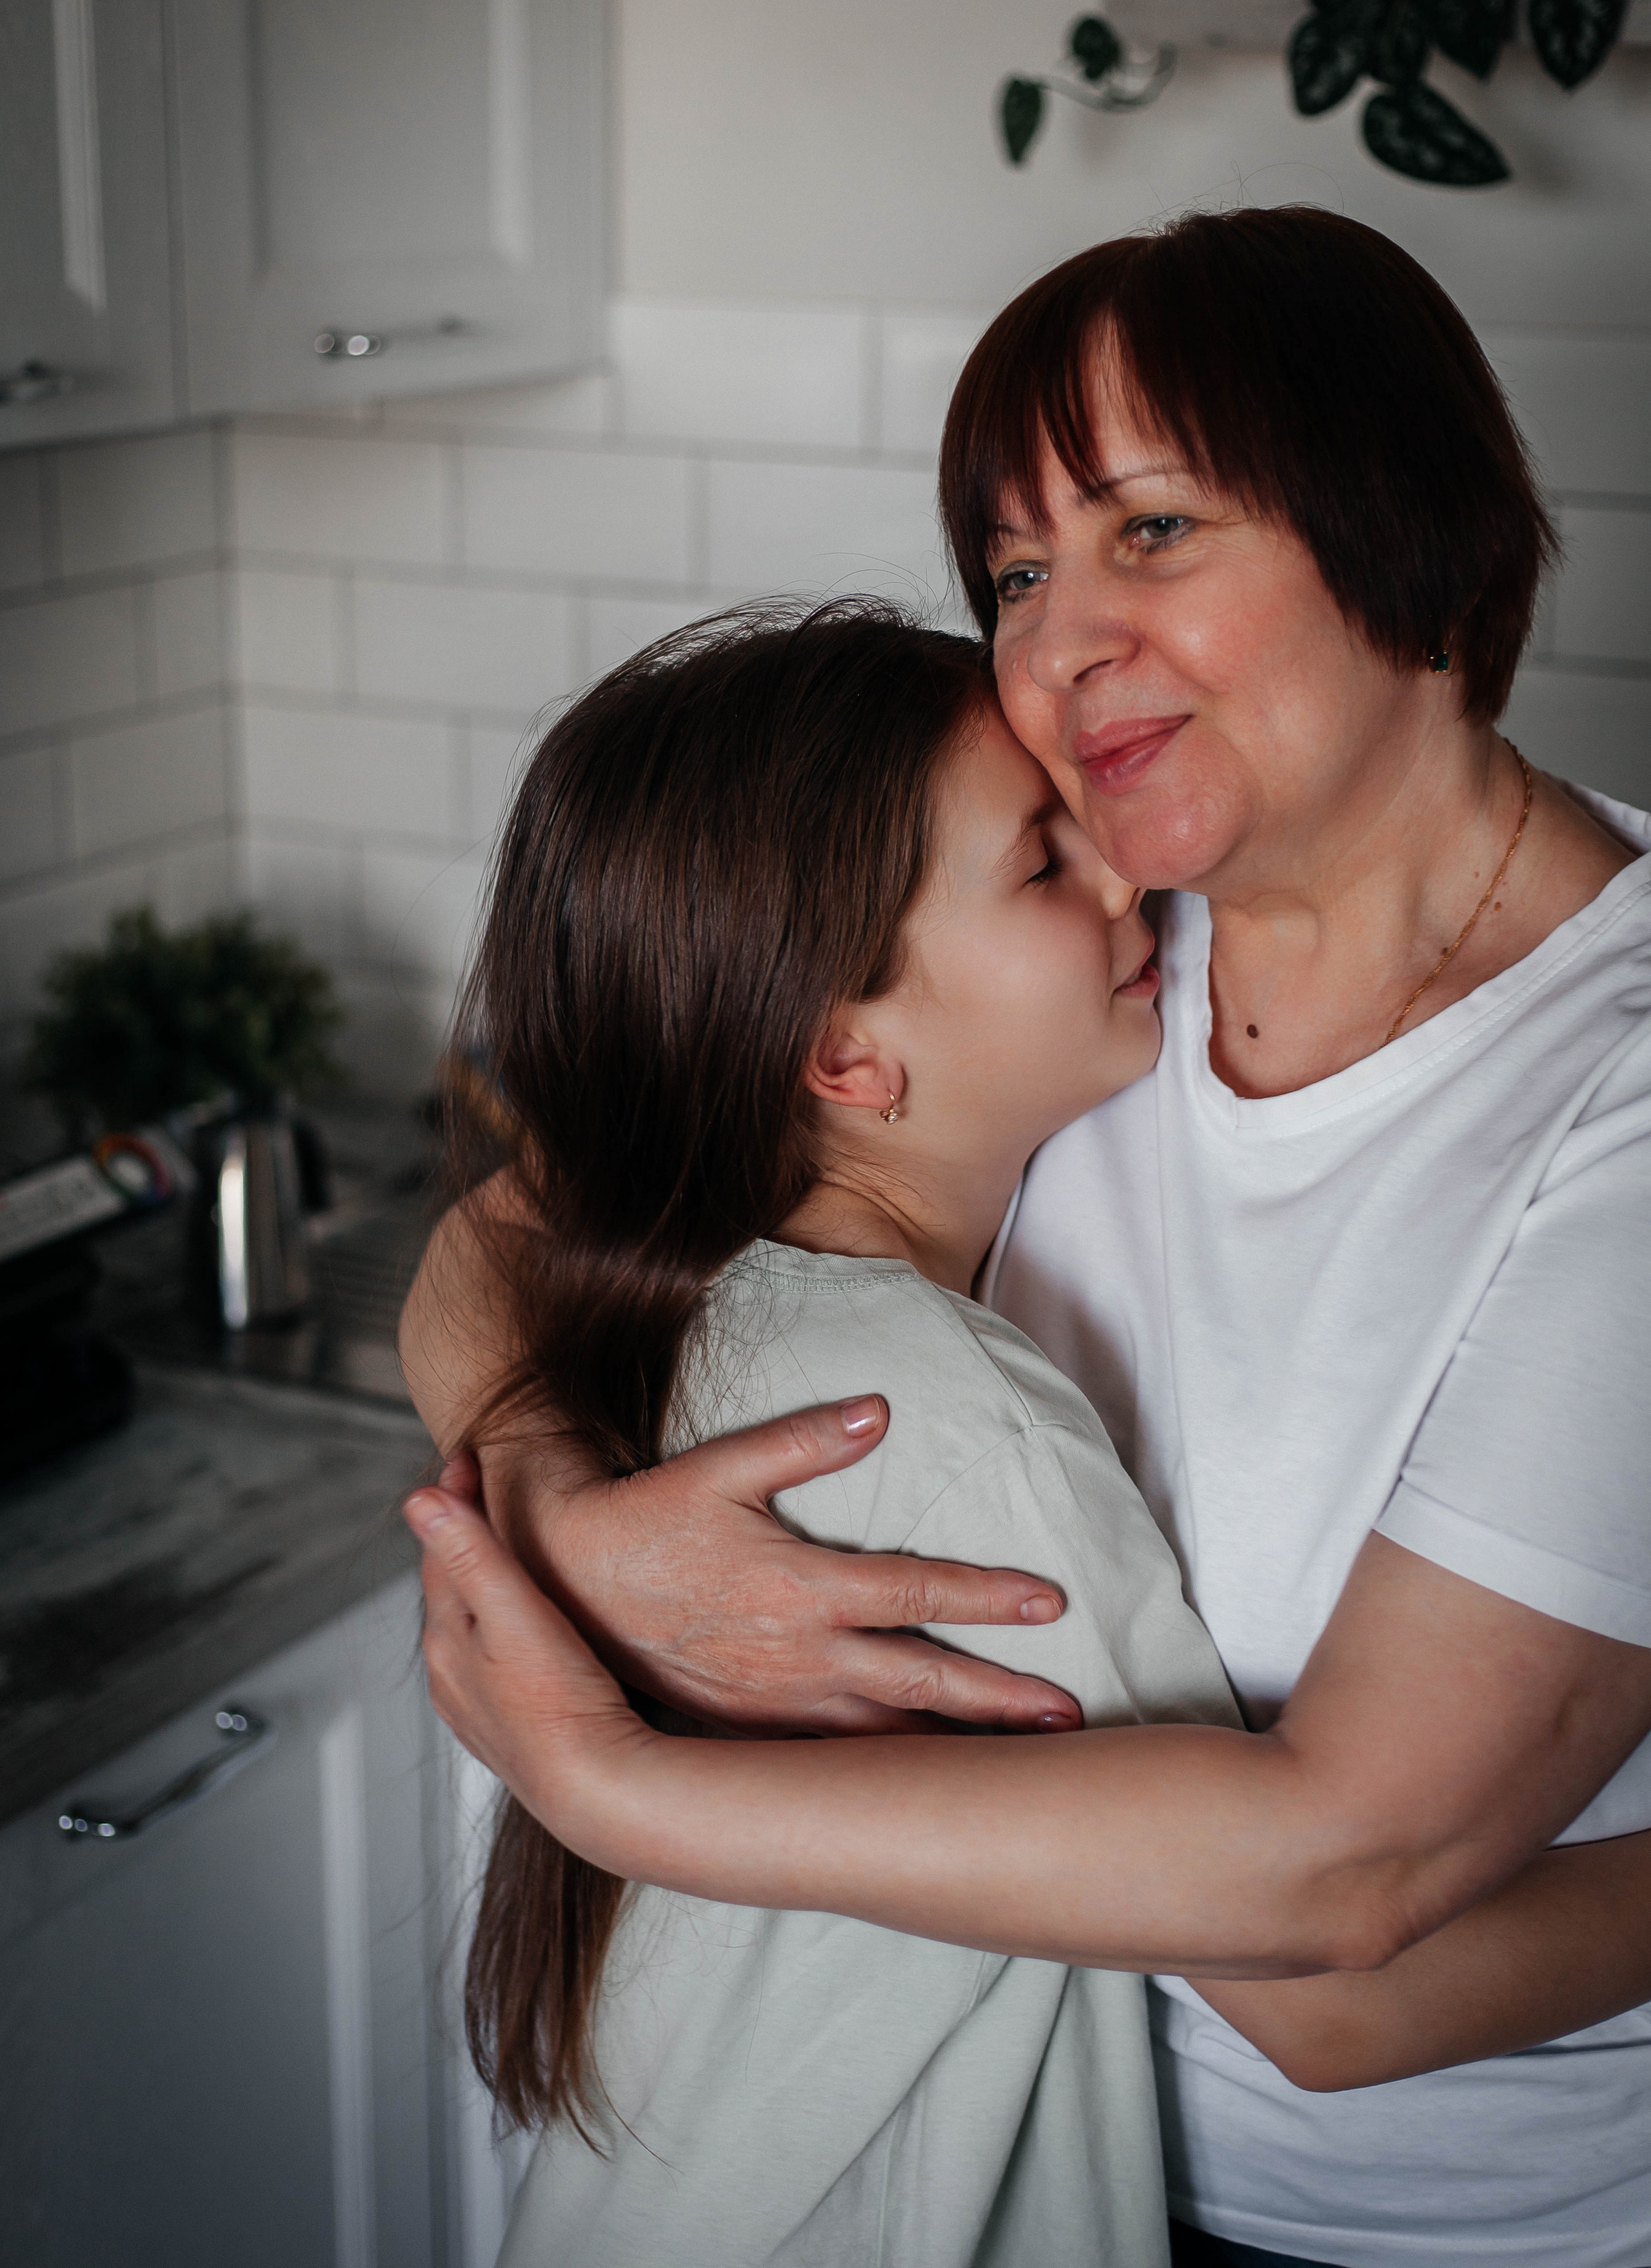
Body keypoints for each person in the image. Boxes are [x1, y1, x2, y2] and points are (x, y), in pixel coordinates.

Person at [403, 208, 1651, 2268]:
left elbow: (1348, 1900)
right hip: (1025, 2154)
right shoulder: (1102, 949)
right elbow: (516, 1227)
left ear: (1409, 531)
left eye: (1149, 531)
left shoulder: (1596, 1091)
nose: (1057, 649)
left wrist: (607, 1775)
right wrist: (564, 1510)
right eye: (1014, 573)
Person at [437, 600, 1242, 2268]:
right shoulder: (941, 1422)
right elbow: (1280, 1909)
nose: (1127, 879)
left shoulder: (657, 1312)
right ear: (841, 1054)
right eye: (1042, 864)